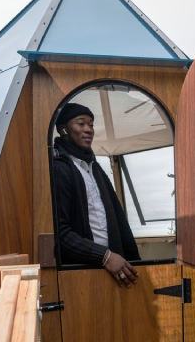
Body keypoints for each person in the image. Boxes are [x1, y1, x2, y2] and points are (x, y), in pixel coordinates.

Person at [52, 102, 141, 287]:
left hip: (113, 268)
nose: (89, 129)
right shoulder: (60, 168)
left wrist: (132, 260)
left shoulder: (94, 167)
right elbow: (59, 233)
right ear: (64, 129)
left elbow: (117, 219)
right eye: (81, 123)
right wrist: (105, 256)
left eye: (91, 124)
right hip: (82, 273)